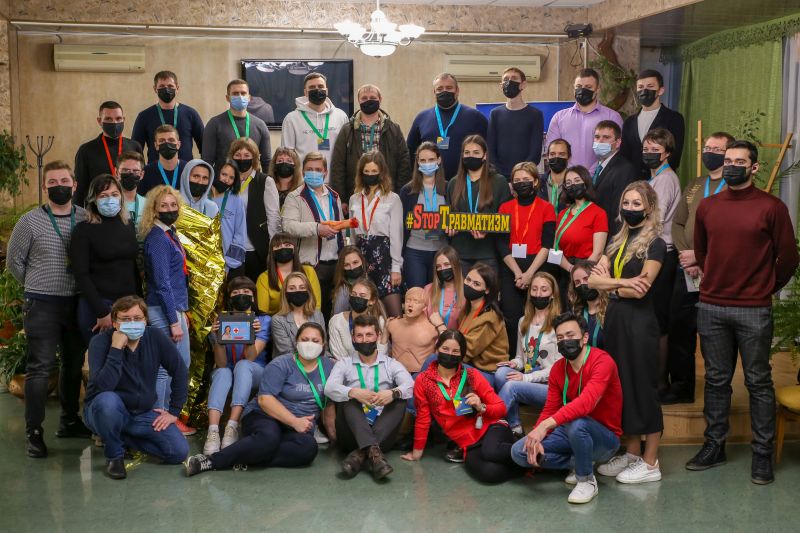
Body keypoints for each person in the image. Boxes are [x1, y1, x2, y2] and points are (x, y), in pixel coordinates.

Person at [688, 140, 799, 485]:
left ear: (754, 168)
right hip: (712, 306)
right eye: (728, 160)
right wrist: (715, 280)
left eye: (740, 161)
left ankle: (762, 454)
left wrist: (765, 287)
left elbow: (788, 257)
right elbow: (701, 253)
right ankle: (714, 445)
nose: (732, 165)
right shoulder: (708, 206)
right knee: (716, 381)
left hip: (754, 309)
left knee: (758, 382)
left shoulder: (771, 207)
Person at [7, 161, 90, 456]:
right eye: (52, 182)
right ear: (44, 187)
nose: (59, 186)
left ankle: (69, 420)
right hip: (42, 303)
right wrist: (35, 283)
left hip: (76, 302)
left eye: (64, 181)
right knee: (40, 368)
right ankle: (34, 432)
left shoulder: (85, 218)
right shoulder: (29, 221)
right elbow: (14, 262)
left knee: (72, 363)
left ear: (74, 185)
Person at [588, 180, 665, 483]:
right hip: (616, 320)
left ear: (649, 208)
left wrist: (611, 285)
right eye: (626, 203)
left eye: (636, 204)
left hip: (640, 323)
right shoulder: (616, 241)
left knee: (643, 388)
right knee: (622, 389)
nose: (630, 208)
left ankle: (650, 462)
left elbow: (641, 289)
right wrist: (621, 283)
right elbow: (592, 282)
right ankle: (632, 453)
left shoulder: (655, 244)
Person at [185, 323, 335, 476]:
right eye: (305, 339)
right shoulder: (281, 364)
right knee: (269, 438)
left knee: (308, 448)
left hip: (298, 427)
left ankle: (249, 457)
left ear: (323, 344)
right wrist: (294, 421)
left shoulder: (328, 366)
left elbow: (329, 403)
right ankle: (211, 461)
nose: (309, 344)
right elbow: (265, 400)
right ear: (296, 341)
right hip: (265, 416)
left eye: (315, 341)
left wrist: (333, 437)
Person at [510, 311, 623, 504]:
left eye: (570, 335)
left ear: (584, 338)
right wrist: (537, 435)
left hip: (604, 439)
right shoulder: (557, 369)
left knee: (577, 422)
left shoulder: (602, 361)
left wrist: (545, 426)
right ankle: (578, 462)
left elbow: (586, 403)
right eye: (560, 337)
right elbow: (550, 408)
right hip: (570, 431)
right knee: (520, 451)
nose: (565, 341)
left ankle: (586, 480)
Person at [84, 296, 189, 479]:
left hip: (141, 413)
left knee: (178, 452)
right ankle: (114, 456)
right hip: (102, 410)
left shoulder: (155, 337)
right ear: (115, 323)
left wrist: (174, 411)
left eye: (137, 318)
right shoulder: (99, 342)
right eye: (125, 319)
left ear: (145, 320)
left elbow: (180, 370)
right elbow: (103, 387)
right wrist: (116, 348)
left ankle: (120, 436)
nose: (132, 323)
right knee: (108, 401)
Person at [665, 131, 734, 405]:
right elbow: (678, 223)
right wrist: (686, 255)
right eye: (707, 148)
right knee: (679, 329)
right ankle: (681, 387)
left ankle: (719, 393)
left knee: (715, 336)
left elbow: (732, 235)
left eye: (717, 149)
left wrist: (700, 258)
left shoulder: (734, 187)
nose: (710, 153)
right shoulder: (695, 184)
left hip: (717, 273)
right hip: (686, 271)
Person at [401, 330, 521, 483]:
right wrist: (417, 452)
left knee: (491, 451)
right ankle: (528, 463)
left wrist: (481, 406)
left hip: (491, 427)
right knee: (488, 474)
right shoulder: (423, 381)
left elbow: (501, 408)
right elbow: (423, 418)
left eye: (455, 351)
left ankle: (535, 454)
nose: (449, 354)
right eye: (445, 349)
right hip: (466, 442)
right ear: (437, 349)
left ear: (462, 354)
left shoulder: (472, 375)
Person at [325, 315, 414, 479]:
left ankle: (361, 454)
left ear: (378, 336)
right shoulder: (344, 363)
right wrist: (353, 392)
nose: (364, 340)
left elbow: (410, 385)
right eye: (359, 335)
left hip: (383, 433)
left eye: (369, 335)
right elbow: (329, 388)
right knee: (348, 398)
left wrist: (392, 393)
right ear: (353, 338)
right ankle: (374, 454)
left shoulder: (390, 363)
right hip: (351, 433)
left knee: (400, 400)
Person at [140, 185, 193, 435]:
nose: (170, 209)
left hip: (174, 309)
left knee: (180, 364)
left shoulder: (170, 233)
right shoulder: (158, 238)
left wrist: (182, 313)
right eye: (164, 206)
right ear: (154, 210)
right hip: (163, 311)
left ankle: (170, 416)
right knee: (165, 368)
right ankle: (159, 418)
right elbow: (162, 284)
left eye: (173, 205)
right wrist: (173, 320)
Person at [203, 277, 272, 455]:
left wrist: (252, 335)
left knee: (242, 365)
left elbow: (250, 357)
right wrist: (217, 338)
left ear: (253, 297)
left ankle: (232, 426)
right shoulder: (221, 320)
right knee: (222, 372)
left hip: (254, 370)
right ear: (229, 297)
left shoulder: (262, 320)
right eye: (236, 292)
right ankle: (213, 431)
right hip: (228, 369)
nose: (241, 295)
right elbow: (221, 363)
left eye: (246, 292)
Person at [71, 175, 140, 344]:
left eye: (114, 194)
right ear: (94, 200)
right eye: (103, 195)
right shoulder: (83, 230)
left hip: (128, 306)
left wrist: (140, 304)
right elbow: (81, 274)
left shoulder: (128, 225)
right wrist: (101, 312)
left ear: (121, 197)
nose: (110, 199)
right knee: (103, 357)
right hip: (99, 307)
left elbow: (132, 266)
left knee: (130, 356)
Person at [496, 162, 556, 350]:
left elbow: (547, 245)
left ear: (536, 181)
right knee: (511, 317)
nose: (521, 183)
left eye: (526, 179)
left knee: (538, 316)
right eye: (517, 180)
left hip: (537, 266)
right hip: (511, 268)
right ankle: (514, 357)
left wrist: (530, 274)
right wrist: (517, 273)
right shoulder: (505, 208)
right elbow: (501, 244)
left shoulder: (547, 208)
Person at [495, 272, 562, 434]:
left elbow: (557, 369)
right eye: (534, 289)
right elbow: (521, 358)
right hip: (529, 379)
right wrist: (514, 363)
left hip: (550, 386)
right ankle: (515, 425)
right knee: (500, 373)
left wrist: (526, 378)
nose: (538, 294)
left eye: (544, 290)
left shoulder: (559, 323)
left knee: (511, 386)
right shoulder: (523, 321)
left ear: (552, 294)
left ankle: (490, 422)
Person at [641, 128, 681, 395]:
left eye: (655, 150)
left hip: (661, 253)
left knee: (658, 320)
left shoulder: (665, 179)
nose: (649, 153)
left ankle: (658, 382)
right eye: (646, 148)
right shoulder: (655, 177)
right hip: (653, 250)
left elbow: (657, 219)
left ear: (667, 153)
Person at [282, 151, 345, 319]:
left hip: (335, 262)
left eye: (318, 170)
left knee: (334, 310)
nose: (314, 173)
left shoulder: (334, 196)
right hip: (311, 264)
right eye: (309, 169)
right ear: (303, 171)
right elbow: (288, 226)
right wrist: (316, 229)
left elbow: (340, 225)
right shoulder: (295, 197)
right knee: (313, 310)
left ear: (325, 172)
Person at [331, 84, 411, 201]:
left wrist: (399, 194)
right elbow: (338, 166)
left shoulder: (394, 129)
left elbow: (404, 163)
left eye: (373, 98)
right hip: (355, 194)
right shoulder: (347, 130)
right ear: (358, 100)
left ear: (380, 99)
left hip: (387, 194)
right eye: (364, 98)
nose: (368, 101)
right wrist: (342, 199)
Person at [348, 152, 404, 317]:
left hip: (385, 259)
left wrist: (396, 268)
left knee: (394, 315)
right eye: (367, 171)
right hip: (361, 259)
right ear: (361, 173)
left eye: (374, 171)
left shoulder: (392, 199)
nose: (370, 175)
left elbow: (396, 236)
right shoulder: (354, 199)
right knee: (364, 312)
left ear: (381, 173)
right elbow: (352, 234)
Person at [446, 135, 511, 273]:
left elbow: (507, 220)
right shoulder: (453, 183)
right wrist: (449, 229)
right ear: (462, 156)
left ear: (484, 156)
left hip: (488, 254)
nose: (471, 156)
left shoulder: (499, 182)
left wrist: (487, 230)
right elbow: (448, 216)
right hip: (459, 254)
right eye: (467, 153)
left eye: (476, 152)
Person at [407, 73, 489, 179]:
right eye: (440, 89)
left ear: (457, 91)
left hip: (466, 181)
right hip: (430, 182)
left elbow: (488, 149)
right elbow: (410, 151)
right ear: (434, 92)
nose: (444, 91)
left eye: (449, 88)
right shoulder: (421, 118)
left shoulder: (475, 117)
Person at [550, 166, 608, 304]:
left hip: (587, 273)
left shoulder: (598, 213)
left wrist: (580, 272)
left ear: (586, 182)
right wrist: (570, 269)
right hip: (565, 270)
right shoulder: (562, 214)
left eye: (577, 180)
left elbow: (598, 252)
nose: (573, 185)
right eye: (568, 183)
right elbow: (554, 250)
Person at [544, 69, 622, 171]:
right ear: (574, 88)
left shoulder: (612, 117)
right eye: (579, 86)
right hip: (567, 177)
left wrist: (591, 174)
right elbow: (552, 150)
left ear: (597, 89)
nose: (582, 90)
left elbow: (616, 150)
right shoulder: (559, 117)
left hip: (600, 176)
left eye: (588, 87)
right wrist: (571, 175)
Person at [229, 139, 282, 282]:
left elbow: (273, 218)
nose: (242, 159)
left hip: (256, 249)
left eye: (247, 155)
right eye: (238, 155)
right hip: (232, 249)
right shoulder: (227, 180)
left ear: (254, 158)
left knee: (257, 290)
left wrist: (273, 249)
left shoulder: (265, 181)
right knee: (235, 290)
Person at [399, 142, 448, 289]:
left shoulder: (449, 188)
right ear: (418, 162)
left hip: (441, 252)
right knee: (417, 294)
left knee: (437, 294)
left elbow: (454, 218)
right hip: (414, 251)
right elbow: (401, 224)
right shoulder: (407, 191)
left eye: (431, 160)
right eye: (423, 160)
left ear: (439, 160)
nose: (427, 164)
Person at [74, 101, 142, 206]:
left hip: (129, 208)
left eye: (118, 118)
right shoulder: (86, 150)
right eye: (108, 119)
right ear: (99, 121)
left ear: (124, 119)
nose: (114, 123)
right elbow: (79, 189)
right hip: (96, 209)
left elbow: (140, 182)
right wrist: (78, 213)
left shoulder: (134, 146)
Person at [621, 69, 686, 178]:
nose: (644, 91)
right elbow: (624, 155)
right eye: (640, 87)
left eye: (650, 86)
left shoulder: (674, 118)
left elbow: (675, 155)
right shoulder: (629, 122)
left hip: (661, 179)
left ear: (660, 90)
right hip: (634, 182)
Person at [131, 70, 204, 163]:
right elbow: (135, 150)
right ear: (155, 89)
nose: (166, 89)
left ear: (177, 88)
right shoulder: (144, 116)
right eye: (162, 86)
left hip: (185, 169)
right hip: (155, 169)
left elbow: (204, 146)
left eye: (170, 86)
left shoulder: (191, 114)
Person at [280, 72, 349, 169]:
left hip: (334, 177)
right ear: (305, 92)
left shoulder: (341, 116)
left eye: (320, 86)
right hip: (303, 177)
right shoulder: (291, 119)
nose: (317, 90)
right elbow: (287, 155)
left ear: (326, 90)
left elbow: (347, 151)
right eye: (312, 87)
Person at [202, 79, 271, 170]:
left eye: (243, 93)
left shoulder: (260, 125)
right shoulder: (214, 124)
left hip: (253, 178)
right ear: (227, 98)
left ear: (249, 97)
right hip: (224, 177)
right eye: (235, 93)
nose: (240, 97)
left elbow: (267, 161)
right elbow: (207, 161)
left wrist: (268, 179)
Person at [487, 67, 544, 177]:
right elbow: (491, 151)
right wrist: (502, 176)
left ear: (523, 84)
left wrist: (520, 175)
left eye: (514, 78)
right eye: (506, 79)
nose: (509, 82)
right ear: (501, 85)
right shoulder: (495, 114)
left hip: (525, 177)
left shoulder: (535, 115)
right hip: (499, 177)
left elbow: (535, 153)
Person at [457, 263, 509, 379]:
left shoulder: (489, 317)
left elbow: (467, 351)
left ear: (487, 290)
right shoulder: (467, 309)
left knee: (436, 359)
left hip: (488, 373)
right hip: (470, 366)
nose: (469, 285)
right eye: (468, 280)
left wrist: (441, 328)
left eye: (476, 284)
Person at [255, 232, 322, 315]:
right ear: (272, 252)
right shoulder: (264, 278)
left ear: (294, 249)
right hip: (275, 321)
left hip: (307, 319)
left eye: (287, 245)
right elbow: (262, 313)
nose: (283, 248)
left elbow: (316, 306)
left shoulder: (309, 272)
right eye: (278, 246)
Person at [590, 120, 638, 232]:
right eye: (597, 137)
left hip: (610, 233)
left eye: (606, 137)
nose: (600, 141)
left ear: (618, 142)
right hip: (595, 231)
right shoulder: (599, 165)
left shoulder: (624, 169)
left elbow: (619, 211)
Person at [328, 278, 387, 362]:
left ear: (372, 301)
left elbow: (381, 355)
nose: (357, 298)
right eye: (354, 294)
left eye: (362, 296)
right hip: (346, 368)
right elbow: (339, 357)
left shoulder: (379, 321)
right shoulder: (336, 321)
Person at [385, 287, 439, 375]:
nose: (410, 304)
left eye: (416, 302)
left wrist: (440, 326)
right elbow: (382, 348)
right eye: (408, 301)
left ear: (424, 307)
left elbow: (448, 345)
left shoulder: (433, 329)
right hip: (395, 372)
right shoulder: (393, 324)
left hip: (421, 375)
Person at [272, 272, 326, 356]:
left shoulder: (317, 315)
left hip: (317, 361)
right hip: (290, 362)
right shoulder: (278, 320)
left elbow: (323, 347)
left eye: (302, 287)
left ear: (308, 291)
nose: (297, 291)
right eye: (292, 288)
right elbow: (287, 353)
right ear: (285, 293)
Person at [210, 160, 247, 275]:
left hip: (228, 263)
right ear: (216, 172)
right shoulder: (204, 195)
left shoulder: (236, 199)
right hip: (205, 258)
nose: (226, 180)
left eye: (231, 178)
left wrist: (229, 263)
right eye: (224, 174)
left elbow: (240, 233)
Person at [568, 259, 607, 350]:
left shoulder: (611, 310)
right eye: (577, 282)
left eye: (586, 279)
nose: (582, 284)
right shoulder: (576, 312)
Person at [138, 125, 188, 196]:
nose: (167, 143)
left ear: (178, 144)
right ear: (156, 146)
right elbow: (140, 199)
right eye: (162, 141)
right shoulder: (146, 172)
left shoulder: (189, 169)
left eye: (171, 140)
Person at [425, 246, 465, 331]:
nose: (442, 269)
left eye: (446, 264)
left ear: (456, 265)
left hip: (455, 338)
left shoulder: (466, 291)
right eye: (438, 266)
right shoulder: (428, 289)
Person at [537, 139, 572, 214]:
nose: (556, 157)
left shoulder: (576, 183)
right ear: (547, 157)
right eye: (552, 154)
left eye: (561, 154)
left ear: (569, 157)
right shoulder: (538, 183)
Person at [115, 151, 147, 231]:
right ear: (116, 172)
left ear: (142, 175)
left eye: (135, 171)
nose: (130, 174)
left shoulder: (148, 204)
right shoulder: (109, 203)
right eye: (125, 170)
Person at [331, 245, 366, 315]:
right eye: (346, 265)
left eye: (355, 262)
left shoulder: (369, 280)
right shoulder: (343, 290)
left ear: (362, 261)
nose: (352, 268)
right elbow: (338, 318)